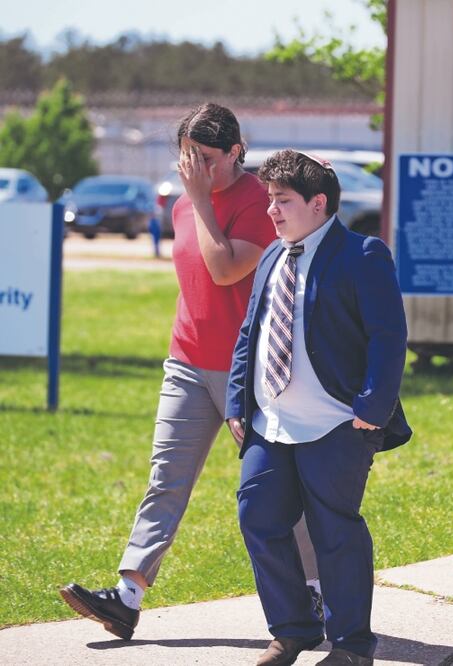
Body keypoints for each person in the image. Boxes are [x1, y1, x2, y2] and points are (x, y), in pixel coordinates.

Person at [59, 103, 321, 640]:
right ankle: (128, 596)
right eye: (187, 156)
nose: (195, 168)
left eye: (206, 157)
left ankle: (314, 594)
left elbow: (225, 270)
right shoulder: (184, 206)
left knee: (277, 488)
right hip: (186, 360)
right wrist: (197, 200)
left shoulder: (258, 203)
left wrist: (201, 200)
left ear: (235, 152)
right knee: (166, 478)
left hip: (249, 372)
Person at [226, 149, 411, 666]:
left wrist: (373, 406)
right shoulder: (272, 254)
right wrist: (235, 403)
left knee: (335, 531)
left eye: (282, 201)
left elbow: (387, 336)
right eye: (270, 200)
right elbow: (251, 333)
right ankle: (293, 630)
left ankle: (352, 645)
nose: (272, 211)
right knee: (257, 515)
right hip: (270, 423)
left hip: (337, 423)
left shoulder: (363, 254)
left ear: (318, 202)